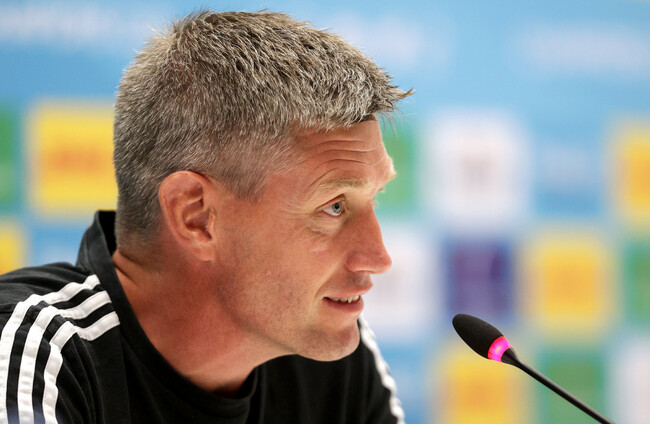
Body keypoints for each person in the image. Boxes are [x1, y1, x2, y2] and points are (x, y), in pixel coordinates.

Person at [0, 10, 411, 423]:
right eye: (334, 206)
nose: (378, 258)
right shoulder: (33, 354)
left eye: (375, 198)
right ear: (195, 217)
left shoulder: (330, 356)